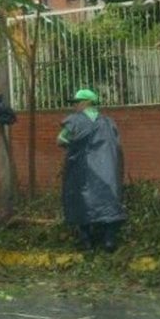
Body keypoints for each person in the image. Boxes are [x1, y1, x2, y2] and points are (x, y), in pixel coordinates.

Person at [57, 89, 126, 253]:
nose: (75, 106)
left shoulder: (74, 121)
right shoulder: (108, 122)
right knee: (109, 201)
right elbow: (116, 145)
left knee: (80, 201)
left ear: (85, 102)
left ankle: (87, 243)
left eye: (77, 102)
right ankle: (109, 240)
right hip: (107, 170)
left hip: (82, 169)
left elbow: (60, 140)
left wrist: (74, 146)